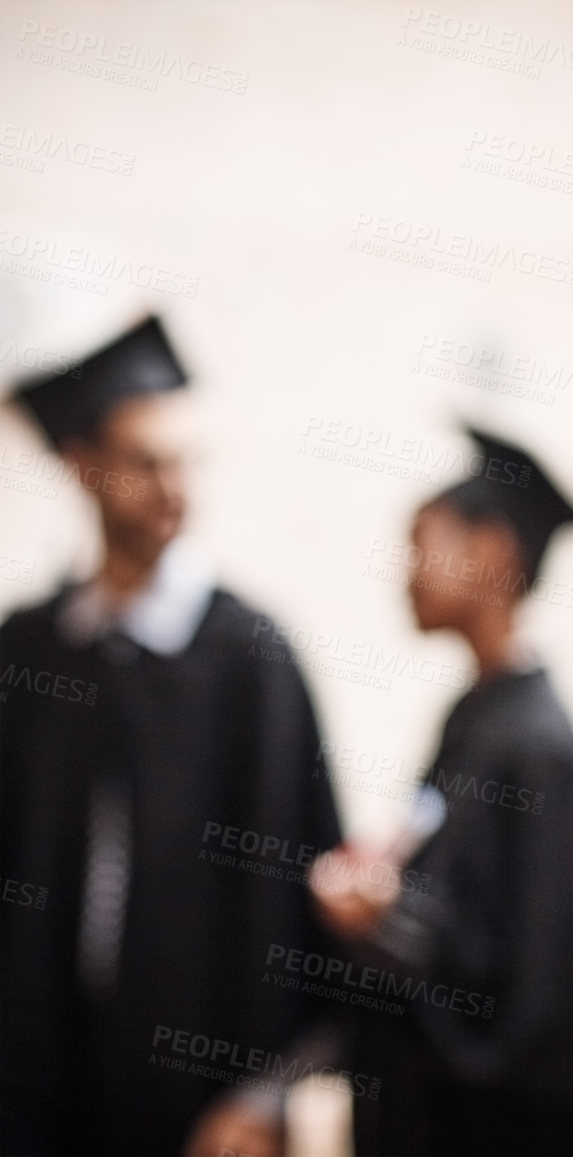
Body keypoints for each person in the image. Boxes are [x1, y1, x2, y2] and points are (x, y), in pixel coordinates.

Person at [0, 315, 343, 1156]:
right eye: (146, 462)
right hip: (35, 1087)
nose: (175, 488)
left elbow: (304, 890)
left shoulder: (251, 658)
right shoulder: (30, 651)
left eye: (187, 460)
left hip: (203, 1111)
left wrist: (266, 1093)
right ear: (84, 468)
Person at [309, 425, 573, 1155]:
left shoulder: (539, 746)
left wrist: (391, 914)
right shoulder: (476, 714)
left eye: (425, 543)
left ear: (492, 552)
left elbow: (533, 983)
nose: (408, 571)